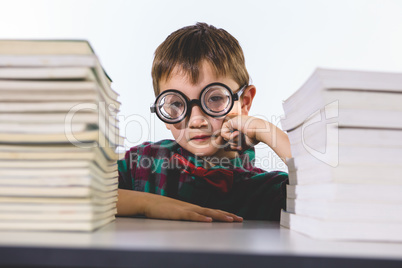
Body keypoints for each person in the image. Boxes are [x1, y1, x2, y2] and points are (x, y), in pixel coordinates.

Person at [116, 22, 291, 222]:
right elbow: (79, 196)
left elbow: (331, 200)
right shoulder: (142, 164)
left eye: (215, 99)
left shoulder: (267, 189)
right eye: (176, 103)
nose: (197, 120)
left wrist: (266, 130)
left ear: (245, 102)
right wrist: (148, 204)